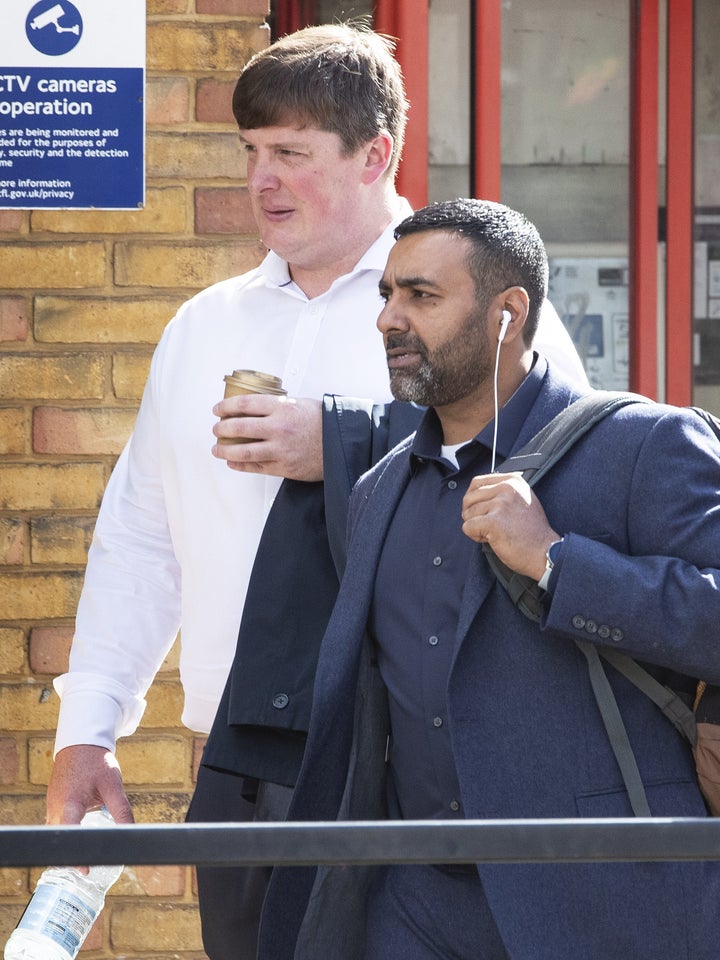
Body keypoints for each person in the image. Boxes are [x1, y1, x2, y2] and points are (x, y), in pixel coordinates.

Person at [44, 24, 586, 960]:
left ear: (376, 154)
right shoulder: (201, 326)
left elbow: (546, 490)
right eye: (251, 152)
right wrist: (87, 732)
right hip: (237, 759)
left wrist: (341, 445)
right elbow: (140, 538)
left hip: (407, 765)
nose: (261, 179)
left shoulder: (481, 309)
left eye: (291, 153)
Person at [256, 198, 720, 960]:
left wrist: (555, 560)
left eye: (421, 296)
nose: (388, 320)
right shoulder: (376, 491)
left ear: (508, 313)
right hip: (411, 905)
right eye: (387, 294)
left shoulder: (645, 444)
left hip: (603, 898)